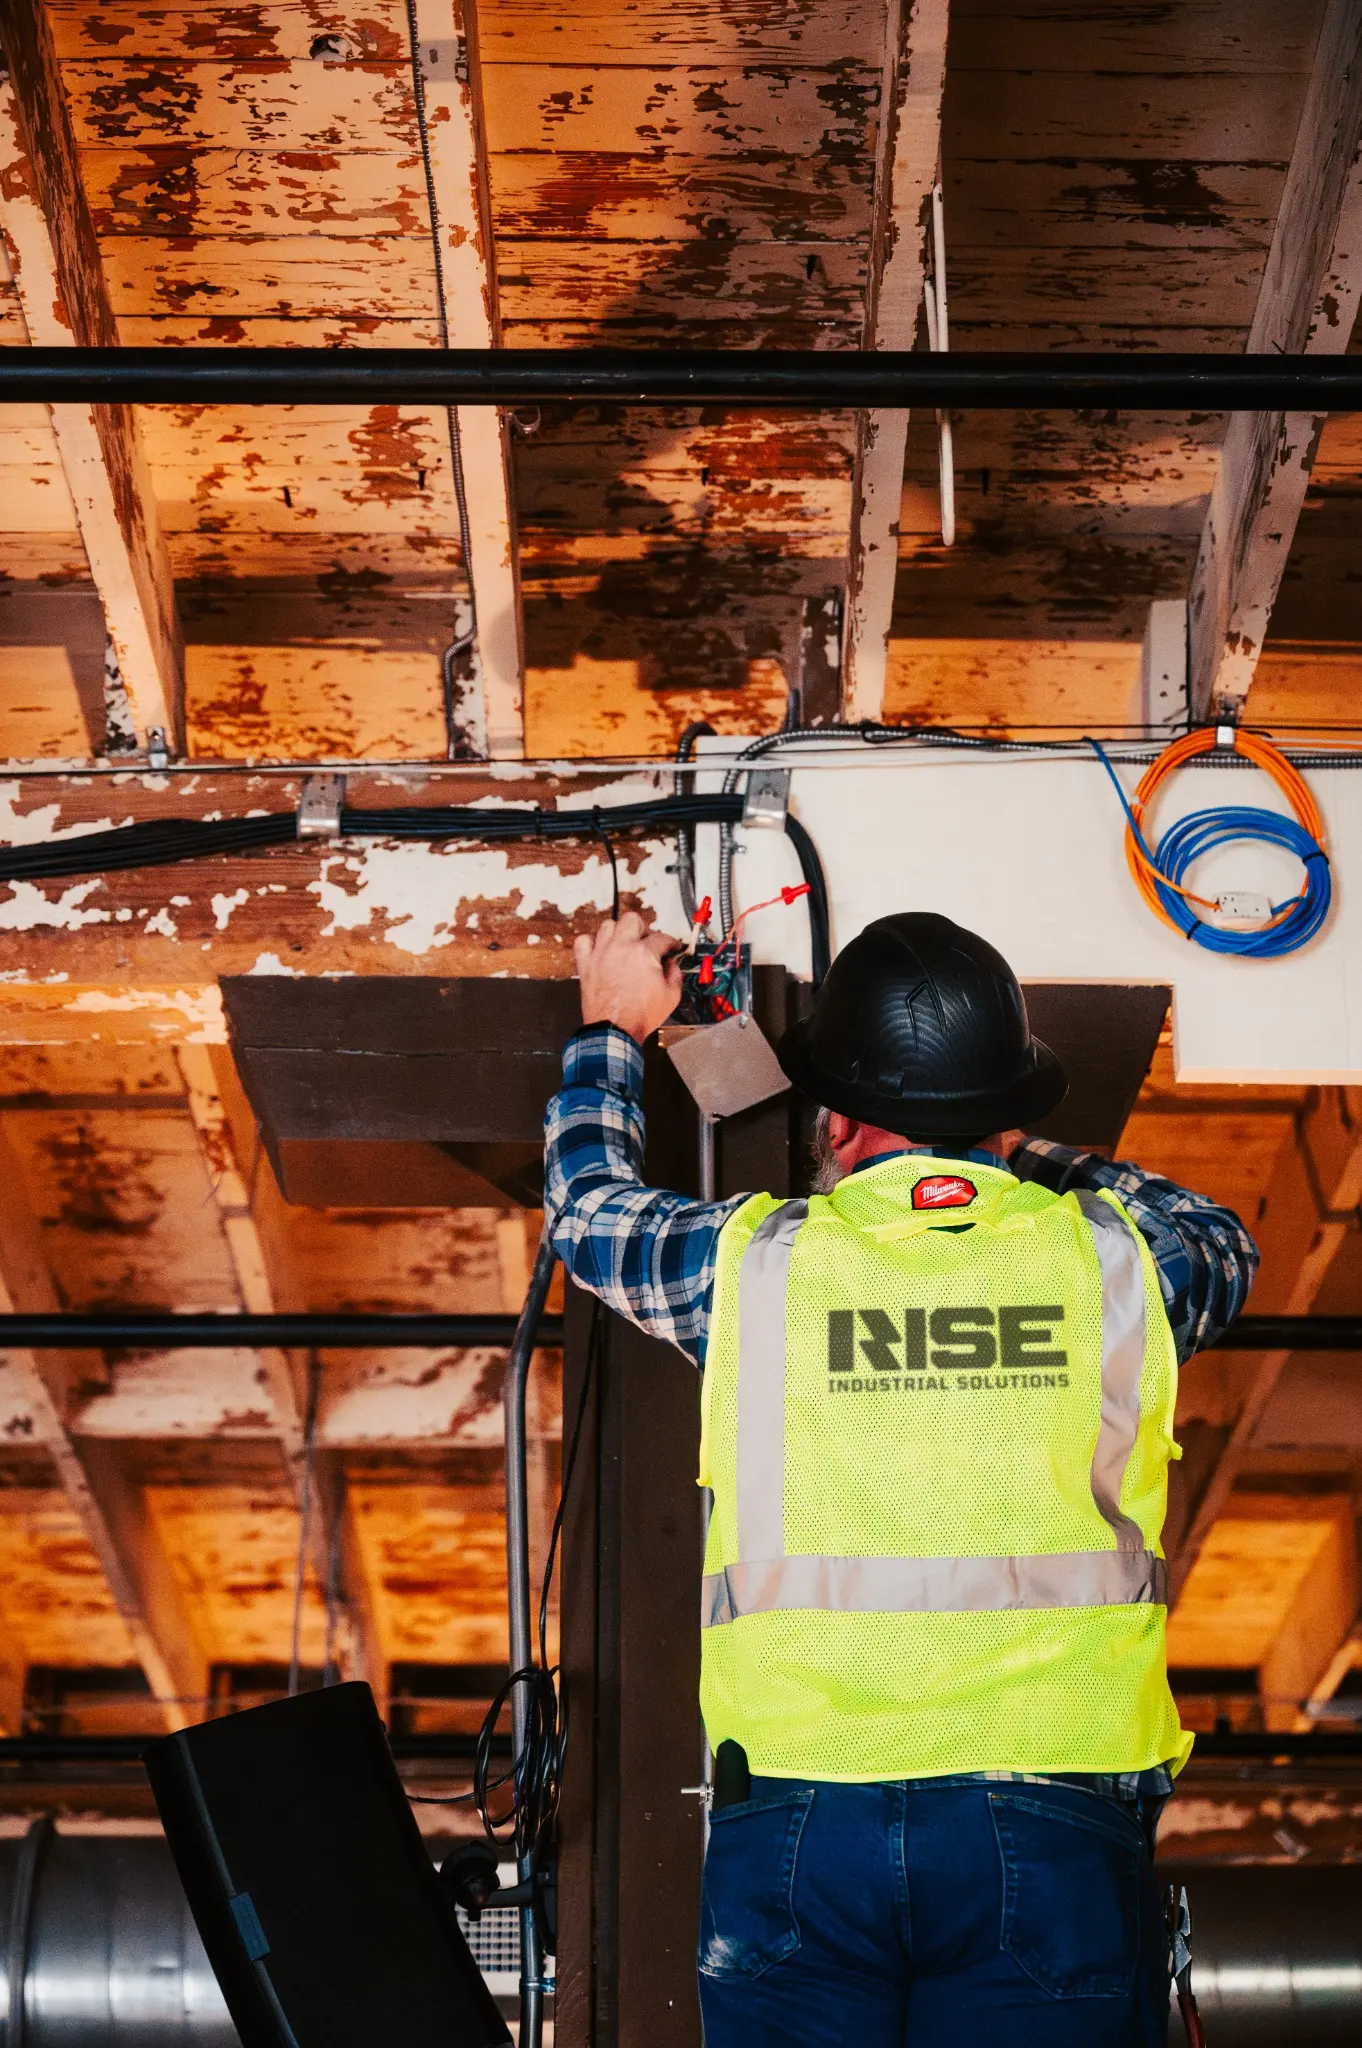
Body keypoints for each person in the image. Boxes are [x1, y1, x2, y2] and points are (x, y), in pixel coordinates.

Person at [545, 908, 1258, 2048]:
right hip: (1055, 1809)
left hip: (798, 1814)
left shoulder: (753, 1271)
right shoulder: (1125, 1263)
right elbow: (1218, 1232)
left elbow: (591, 1216)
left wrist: (610, 1031)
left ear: (836, 1118)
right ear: (1007, 1113)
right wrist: (1029, 1154)